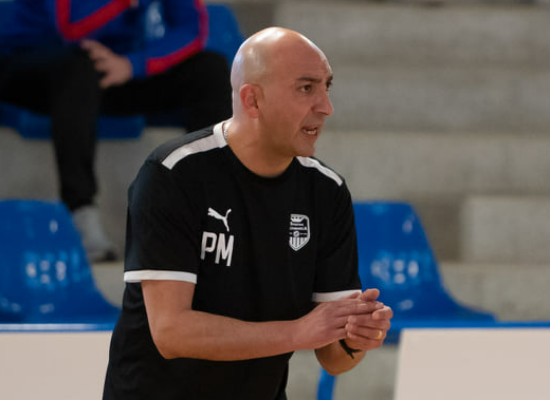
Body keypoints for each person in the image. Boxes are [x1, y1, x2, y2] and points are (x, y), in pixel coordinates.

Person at [102, 27, 393, 399]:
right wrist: (298, 332)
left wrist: (355, 337)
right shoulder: (174, 173)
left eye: (326, 87)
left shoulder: (327, 191)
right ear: (252, 100)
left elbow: (334, 358)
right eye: (306, 88)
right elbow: (171, 332)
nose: (325, 107)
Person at [0, 0, 232, 262]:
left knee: (210, 69)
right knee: (79, 64)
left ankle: (210, 214)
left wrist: (133, 64)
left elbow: (192, 29)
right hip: (31, 62)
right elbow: (70, 29)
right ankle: (80, 215)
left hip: (111, 67)